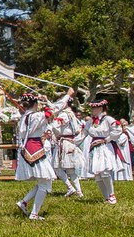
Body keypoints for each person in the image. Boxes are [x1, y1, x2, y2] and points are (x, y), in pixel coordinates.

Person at [16, 90, 73, 220]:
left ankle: (24, 202)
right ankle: (34, 214)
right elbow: (55, 108)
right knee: (45, 181)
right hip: (35, 149)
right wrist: (67, 95)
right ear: (35, 104)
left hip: (29, 148)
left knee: (44, 180)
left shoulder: (24, 117)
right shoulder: (36, 116)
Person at [79, 98, 125, 204]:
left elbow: (118, 130)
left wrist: (106, 139)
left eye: (94, 108)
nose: (91, 110)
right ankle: (106, 197)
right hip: (94, 149)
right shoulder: (90, 122)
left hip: (105, 147)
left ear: (100, 108)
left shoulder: (108, 119)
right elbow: (82, 134)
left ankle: (112, 194)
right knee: (97, 175)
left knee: (105, 171)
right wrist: (73, 143)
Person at [49, 103, 84, 196]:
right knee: (71, 169)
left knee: (56, 166)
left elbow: (55, 126)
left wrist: (52, 123)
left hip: (64, 142)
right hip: (70, 142)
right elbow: (77, 130)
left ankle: (70, 187)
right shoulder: (72, 114)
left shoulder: (63, 114)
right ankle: (79, 191)